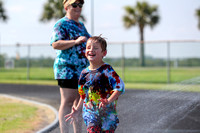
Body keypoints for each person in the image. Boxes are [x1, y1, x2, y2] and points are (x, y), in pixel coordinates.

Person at [65, 36, 125, 133]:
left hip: (108, 115)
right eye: (88, 47)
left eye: (95, 48)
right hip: (90, 114)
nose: (91, 50)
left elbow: (119, 88)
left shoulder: (107, 70)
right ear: (85, 52)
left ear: (104, 53)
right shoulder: (84, 73)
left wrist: (108, 101)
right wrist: (77, 109)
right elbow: (83, 95)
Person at [50, 0, 90, 132]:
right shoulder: (61, 24)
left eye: (80, 5)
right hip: (67, 69)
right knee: (68, 101)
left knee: (79, 103)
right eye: (75, 5)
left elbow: (89, 41)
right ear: (67, 7)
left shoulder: (81, 26)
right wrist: (75, 41)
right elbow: (55, 44)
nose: (78, 7)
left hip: (81, 70)